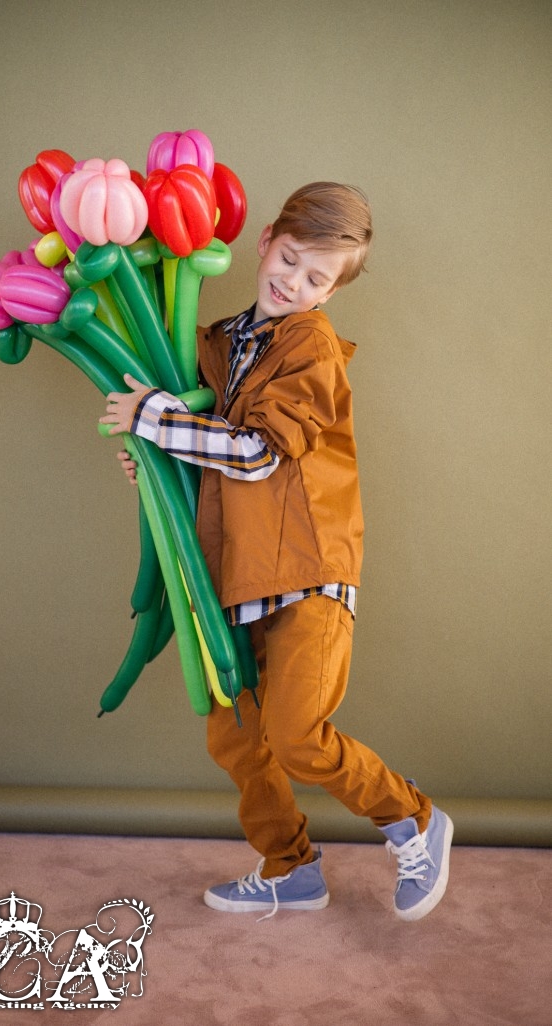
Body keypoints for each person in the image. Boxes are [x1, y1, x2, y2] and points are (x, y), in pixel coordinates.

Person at [100, 182, 453, 922]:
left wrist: (156, 419)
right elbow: (203, 454)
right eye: (288, 260)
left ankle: (414, 819)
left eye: (315, 278)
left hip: (307, 572)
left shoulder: (311, 346)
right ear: (265, 241)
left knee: (296, 736)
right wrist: (151, 461)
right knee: (235, 739)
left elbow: (258, 452)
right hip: (232, 576)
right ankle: (290, 868)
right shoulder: (214, 343)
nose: (293, 283)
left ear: (331, 292)